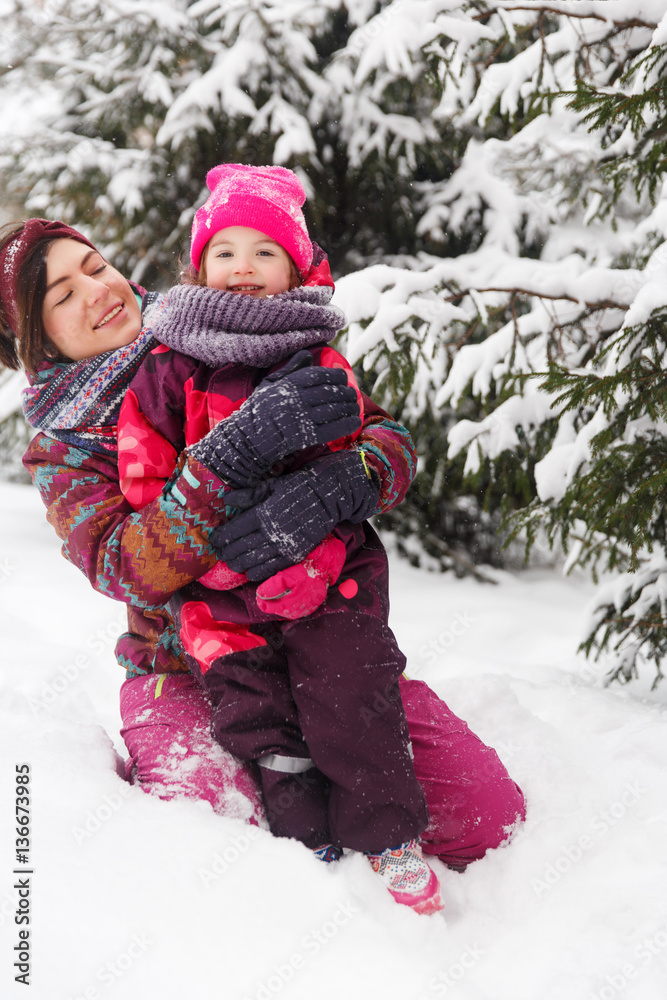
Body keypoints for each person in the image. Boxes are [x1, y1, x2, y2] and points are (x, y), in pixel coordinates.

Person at [0, 212, 525, 914]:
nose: (95, 292)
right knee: (221, 855)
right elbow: (124, 565)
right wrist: (220, 464)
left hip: (320, 638)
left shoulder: (220, 323)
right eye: (61, 296)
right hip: (185, 670)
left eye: (93, 267)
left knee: (488, 820)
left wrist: (352, 478)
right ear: (31, 344)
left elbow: (383, 432)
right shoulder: (62, 449)